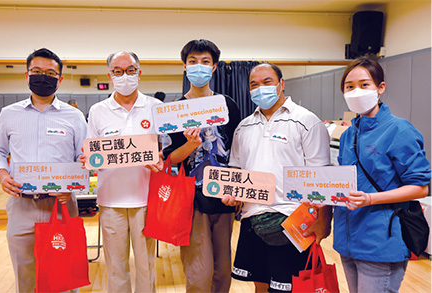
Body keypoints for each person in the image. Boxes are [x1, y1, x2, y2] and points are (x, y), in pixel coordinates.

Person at [222, 63, 332, 292]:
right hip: (252, 218)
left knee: (289, 288)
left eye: (267, 82)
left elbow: (322, 177)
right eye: (254, 85)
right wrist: (231, 193)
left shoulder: (307, 121)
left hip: (293, 221)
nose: (260, 88)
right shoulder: (244, 127)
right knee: (260, 285)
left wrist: (324, 222)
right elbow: (236, 170)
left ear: (281, 84)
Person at [0, 48, 87, 292]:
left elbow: (84, 157)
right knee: (25, 274)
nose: (43, 77)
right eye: (37, 71)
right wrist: (2, 174)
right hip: (21, 204)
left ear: (60, 79)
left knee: (64, 274)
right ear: (27, 75)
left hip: (61, 205)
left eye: (50, 73)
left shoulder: (74, 116)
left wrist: (74, 185)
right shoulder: (9, 114)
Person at [332, 54, 431, 293]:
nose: (356, 91)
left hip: (381, 241)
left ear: (380, 88)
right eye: (349, 86)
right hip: (348, 239)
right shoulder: (348, 134)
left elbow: (421, 187)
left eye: (364, 84)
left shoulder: (399, 129)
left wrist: (370, 199)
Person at [163, 39, 241, 292]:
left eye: (205, 62)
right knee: (199, 267)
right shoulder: (174, 110)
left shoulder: (227, 104)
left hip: (225, 193)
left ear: (214, 67)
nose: (199, 67)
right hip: (192, 196)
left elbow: (238, 149)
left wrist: (238, 188)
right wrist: (190, 144)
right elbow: (170, 158)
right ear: (185, 67)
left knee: (223, 267)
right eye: (193, 62)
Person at [80, 51, 162, 293]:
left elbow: (166, 148)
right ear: (110, 75)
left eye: (130, 70)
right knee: (116, 266)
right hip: (110, 200)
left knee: (147, 265)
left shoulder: (155, 107)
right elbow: (92, 154)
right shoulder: (98, 110)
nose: (124, 75)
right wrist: (88, 159)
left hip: (146, 199)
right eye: (117, 71)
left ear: (139, 72)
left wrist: (160, 158)